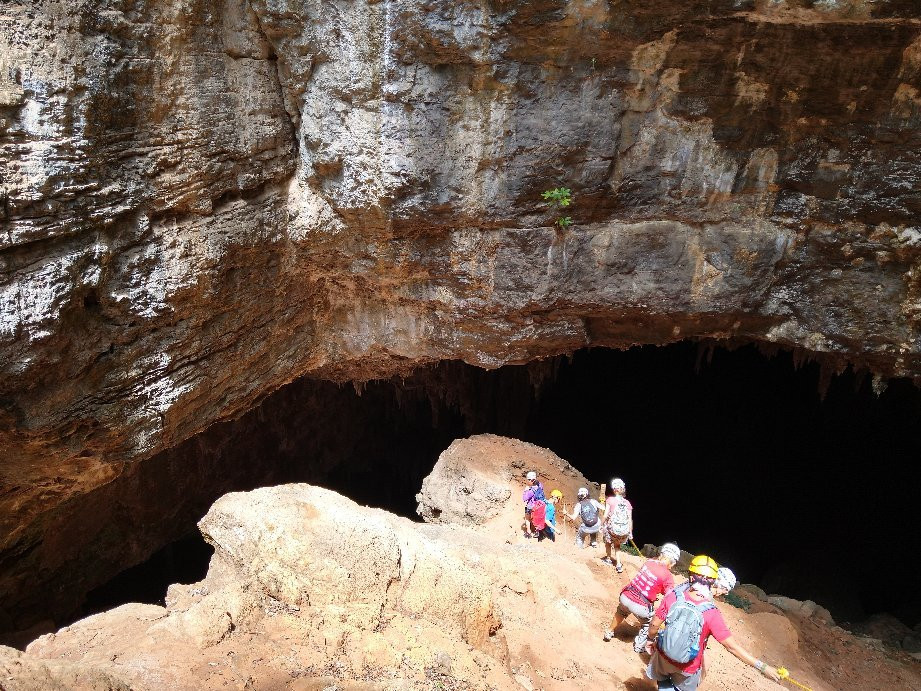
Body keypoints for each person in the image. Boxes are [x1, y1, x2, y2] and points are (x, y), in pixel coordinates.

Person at [643, 555, 781, 690]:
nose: (724, 593)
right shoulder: (712, 612)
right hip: (687, 667)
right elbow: (732, 647)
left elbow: (655, 624)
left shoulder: (674, 596)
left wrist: (650, 639)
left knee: (657, 674)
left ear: (691, 575)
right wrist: (763, 667)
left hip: (663, 655)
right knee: (701, 666)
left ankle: (660, 685)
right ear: (713, 581)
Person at [603, 542, 680, 652]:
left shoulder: (648, 562)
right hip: (640, 606)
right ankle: (639, 646)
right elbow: (669, 596)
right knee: (649, 622)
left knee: (621, 611)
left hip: (625, 596)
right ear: (672, 563)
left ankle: (609, 631)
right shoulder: (668, 577)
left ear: (661, 554)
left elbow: (648, 581)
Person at [601, 477, 632, 572]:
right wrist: (630, 533)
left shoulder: (610, 500)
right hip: (623, 532)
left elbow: (606, 515)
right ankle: (619, 564)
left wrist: (601, 525)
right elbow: (630, 520)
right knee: (617, 545)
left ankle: (608, 558)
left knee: (608, 541)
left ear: (614, 489)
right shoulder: (627, 503)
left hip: (612, 530)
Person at [521, 471, 545, 538]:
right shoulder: (540, 485)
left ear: (530, 480)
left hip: (531, 506)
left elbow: (524, 498)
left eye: (528, 479)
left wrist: (526, 490)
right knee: (536, 519)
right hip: (539, 506)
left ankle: (528, 532)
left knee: (527, 518)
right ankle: (538, 532)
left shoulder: (531, 490)